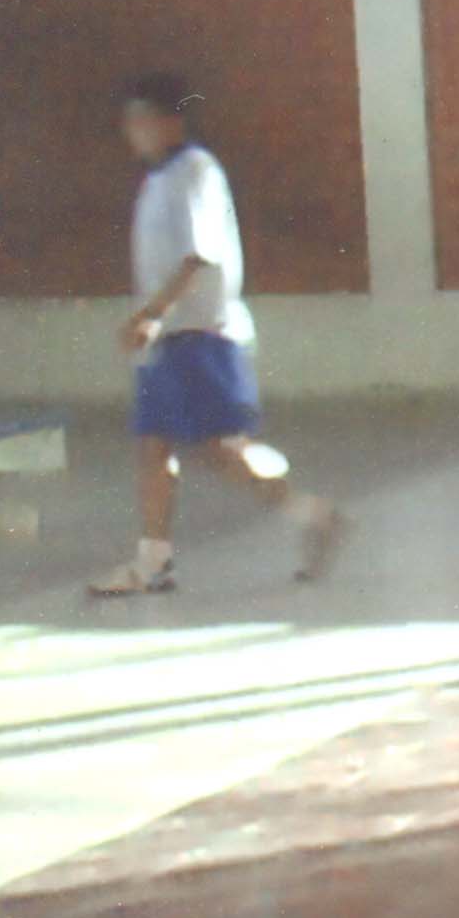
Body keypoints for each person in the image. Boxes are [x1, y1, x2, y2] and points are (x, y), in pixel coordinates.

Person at [88, 71, 346, 596]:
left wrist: (154, 313)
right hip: (170, 342)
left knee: (220, 449)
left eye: (142, 119)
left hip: (200, 337)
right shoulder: (158, 181)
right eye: (129, 121)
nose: (132, 131)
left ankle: (313, 515)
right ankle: (153, 562)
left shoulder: (194, 172)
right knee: (154, 447)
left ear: (170, 120)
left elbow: (197, 255)